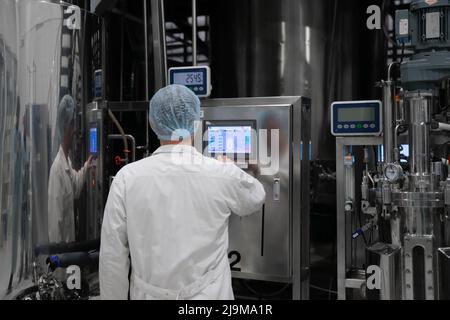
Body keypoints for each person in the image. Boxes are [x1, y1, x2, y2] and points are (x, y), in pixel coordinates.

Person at [99, 84, 266, 300]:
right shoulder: (220, 172)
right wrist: (231, 167)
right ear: (196, 124)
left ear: (153, 123)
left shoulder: (127, 178)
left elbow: (113, 258)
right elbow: (256, 197)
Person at [48, 95, 93, 243]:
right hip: (61, 258)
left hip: (67, 254)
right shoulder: (57, 170)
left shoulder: (66, 161)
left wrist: (87, 166)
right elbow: (55, 225)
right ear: (67, 126)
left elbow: (76, 186)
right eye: (73, 124)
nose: (75, 130)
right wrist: (58, 263)